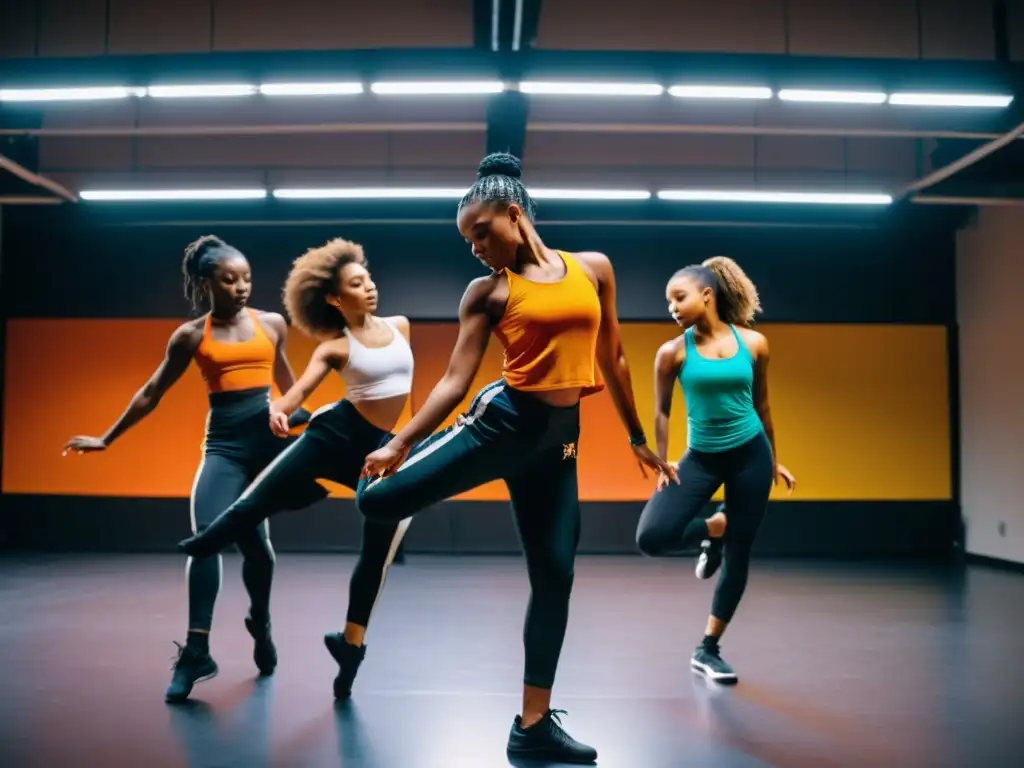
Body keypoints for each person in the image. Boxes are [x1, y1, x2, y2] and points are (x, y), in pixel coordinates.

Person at [353, 152, 677, 765]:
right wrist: (398, 442)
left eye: (480, 231)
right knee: (377, 500)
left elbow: (615, 358)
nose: (474, 246)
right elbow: (453, 381)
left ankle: (531, 726)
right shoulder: (487, 293)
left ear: (512, 214)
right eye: (466, 239)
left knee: (556, 574)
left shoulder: (593, 269)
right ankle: (369, 456)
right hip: (499, 424)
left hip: (557, 441)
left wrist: (637, 435)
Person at [62, 235, 311, 702]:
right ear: (205, 283)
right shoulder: (192, 335)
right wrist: (106, 438)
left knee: (258, 552)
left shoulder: (272, 324)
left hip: (265, 453)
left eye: (247, 278)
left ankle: (260, 621)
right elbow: (152, 391)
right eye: (229, 279)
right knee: (206, 541)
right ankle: (197, 651)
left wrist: (308, 418)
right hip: (225, 450)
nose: (241, 287)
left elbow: (289, 389)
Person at [174, 237, 415, 701]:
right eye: (356, 284)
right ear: (333, 298)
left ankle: (351, 644)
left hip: (382, 448)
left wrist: (405, 442)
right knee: (260, 495)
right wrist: (281, 411)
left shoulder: (401, 325)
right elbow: (294, 391)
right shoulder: (333, 347)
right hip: (335, 432)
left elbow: (405, 395)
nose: (369, 289)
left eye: (369, 280)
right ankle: (211, 538)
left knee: (381, 539)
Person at [635, 256, 797, 685]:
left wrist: (773, 459)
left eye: (679, 298)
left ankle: (708, 648)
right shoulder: (671, 352)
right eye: (668, 301)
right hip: (701, 457)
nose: (671, 307)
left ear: (707, 295)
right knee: (652, 537)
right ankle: (715, 529)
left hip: (751, 455)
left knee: (741, 553)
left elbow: (763, 407)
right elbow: (662, 412)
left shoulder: (755, 344)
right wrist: (663, 459)